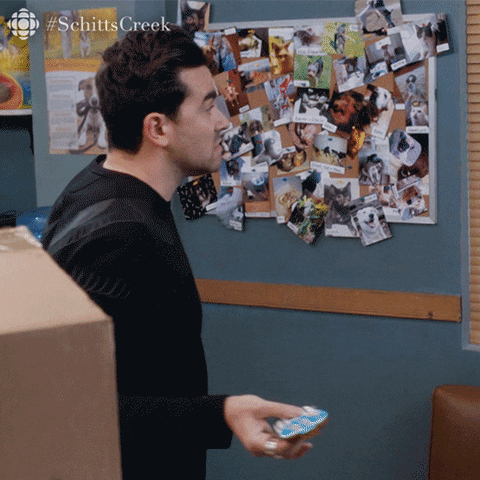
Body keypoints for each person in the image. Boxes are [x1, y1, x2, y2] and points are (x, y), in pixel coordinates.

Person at [41, 25, 323, 479]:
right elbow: (71, 410)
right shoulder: (120, 237)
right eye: (208, 106)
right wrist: (224, 413)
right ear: (158, 127)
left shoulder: (94, 187)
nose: (224, 121)